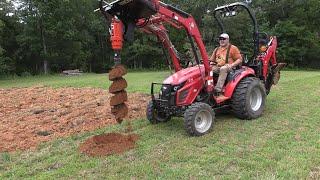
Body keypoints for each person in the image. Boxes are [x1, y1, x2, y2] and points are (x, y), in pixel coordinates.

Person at [209, 33, 242, 98]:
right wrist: (209, 65)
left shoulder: (233, 48)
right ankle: (207, 87)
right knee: (207, 69)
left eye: (224, 39)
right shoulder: (217, 49)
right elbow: (212, 60)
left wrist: (232, 65)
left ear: (228, 40)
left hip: (230, 68)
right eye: (220, 39)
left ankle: (218, 90)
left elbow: (239, 59)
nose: (222, 40)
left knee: (223, 68)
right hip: (218, 67)